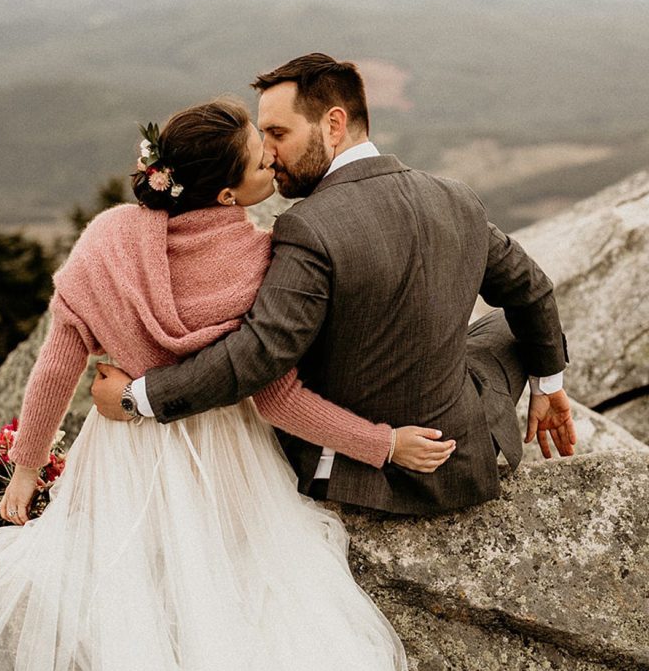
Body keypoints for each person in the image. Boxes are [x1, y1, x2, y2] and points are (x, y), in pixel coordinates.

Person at [0, 97, 434, 671]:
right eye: (259, 154)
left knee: (133, 612)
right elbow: (280, 399)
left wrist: (24, 472)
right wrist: (381, 442)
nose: (273, 157)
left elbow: (57, 367)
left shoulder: (107, 242)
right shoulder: (259, 258)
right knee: (247, 614)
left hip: (127, 463)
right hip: (226, 464)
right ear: (227, 195)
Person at [92, 54, 573, 514]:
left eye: (278, 133)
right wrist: (548, 383)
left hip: (357, 475)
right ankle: (513, 394)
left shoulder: (308, 227)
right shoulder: (455, 197)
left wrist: (142, 397)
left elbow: (260, 353)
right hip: (461, 460)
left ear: (333, 125)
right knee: (513, 332)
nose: (268, 152)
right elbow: (531, 289)